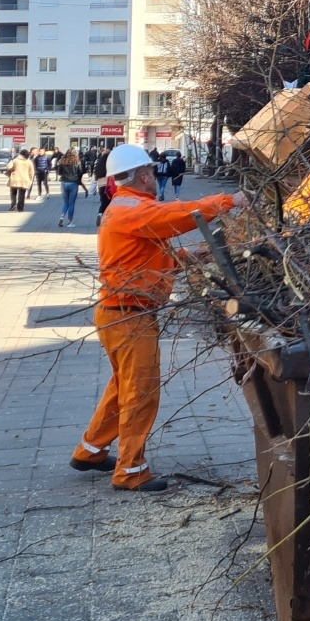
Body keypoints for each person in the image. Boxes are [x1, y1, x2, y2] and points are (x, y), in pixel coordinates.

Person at [69, 145, 247, 491]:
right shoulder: (134, 210)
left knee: (124, 386)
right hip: (129, 317)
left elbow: (152, 256)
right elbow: (178, 214)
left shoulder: (125, 208)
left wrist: (201, 253)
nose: (157, 177)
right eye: (153, 172)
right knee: (141, 392)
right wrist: (230, 201)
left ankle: (90, 450)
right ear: (144, 174)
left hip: (120, 314)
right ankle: (130, 471)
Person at [56, 147, 83, 227]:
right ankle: (70, 222)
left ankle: (62, 217)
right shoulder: (77, 162)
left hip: (64, 182)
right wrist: (79, 181)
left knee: (65, 203)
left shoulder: (63, 161)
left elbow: (59, 172)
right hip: (73, 183)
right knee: (72, 203)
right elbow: (80, 172)